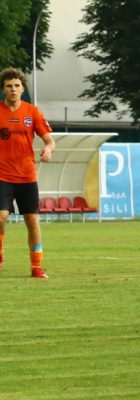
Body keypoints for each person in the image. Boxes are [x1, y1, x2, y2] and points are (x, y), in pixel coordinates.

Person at [0, 67, 55, 279]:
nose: (13, 89)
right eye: (8, 86)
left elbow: (50, 140)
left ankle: (36, 266)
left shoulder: (33, 112)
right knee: (1, 216)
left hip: (26, 176)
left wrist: (48, 149)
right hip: (2, 176)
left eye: (16, 85)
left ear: (22, 89)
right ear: (3, 90)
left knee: (32, 220)